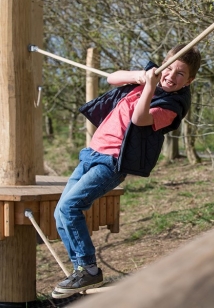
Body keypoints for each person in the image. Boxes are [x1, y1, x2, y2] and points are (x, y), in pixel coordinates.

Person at [52, 44, 201, 298]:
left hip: (111, 162)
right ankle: (80, 270)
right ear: (163, 65)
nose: (171, 76)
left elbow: (139, 119)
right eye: (170, 68)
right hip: (91, 154)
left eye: (180, 74)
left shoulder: (171, 105)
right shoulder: (147, 79)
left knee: (70, 208)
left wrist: (150, 87)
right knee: (60, 212)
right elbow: (112, 78)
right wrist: (140, 77)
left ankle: (88, 268)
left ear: (189, 81)